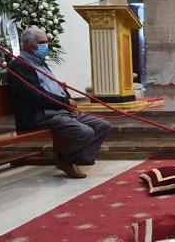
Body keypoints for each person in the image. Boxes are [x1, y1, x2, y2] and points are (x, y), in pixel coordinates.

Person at [7, 26, 110, 178]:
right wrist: (64, 102)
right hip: (41, 115)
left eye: (46, 42)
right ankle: (66, 161)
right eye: (41, 42)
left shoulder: (40, 63)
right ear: (27, 44)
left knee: (102, 125)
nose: (45, 46)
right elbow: (36, 96)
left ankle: (75, 159)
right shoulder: (19, 66)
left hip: (59, 110)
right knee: (85, 133)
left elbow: (55, 87)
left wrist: (68, 101)